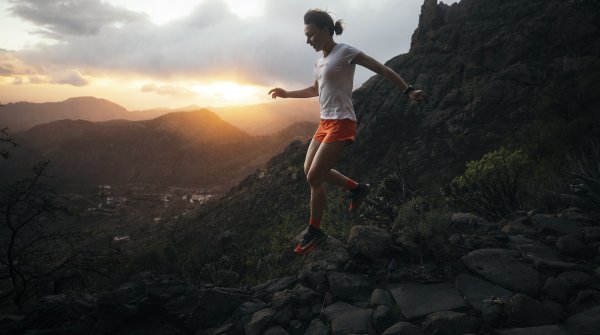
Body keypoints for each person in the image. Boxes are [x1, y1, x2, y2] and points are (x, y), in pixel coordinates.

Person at [268, 9, 426, 255]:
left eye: (310, 35)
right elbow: (314, 89)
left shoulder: (346, 52)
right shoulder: (319, 60)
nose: (307, 40)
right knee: (308, 171)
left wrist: (408, 90)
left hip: (342, 122)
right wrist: (287, 94)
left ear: (324, 30)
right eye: (306, 36)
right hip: (325, 122)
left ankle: (315, 230)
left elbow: (381, 69)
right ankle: (356, 188)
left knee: (314, 178)